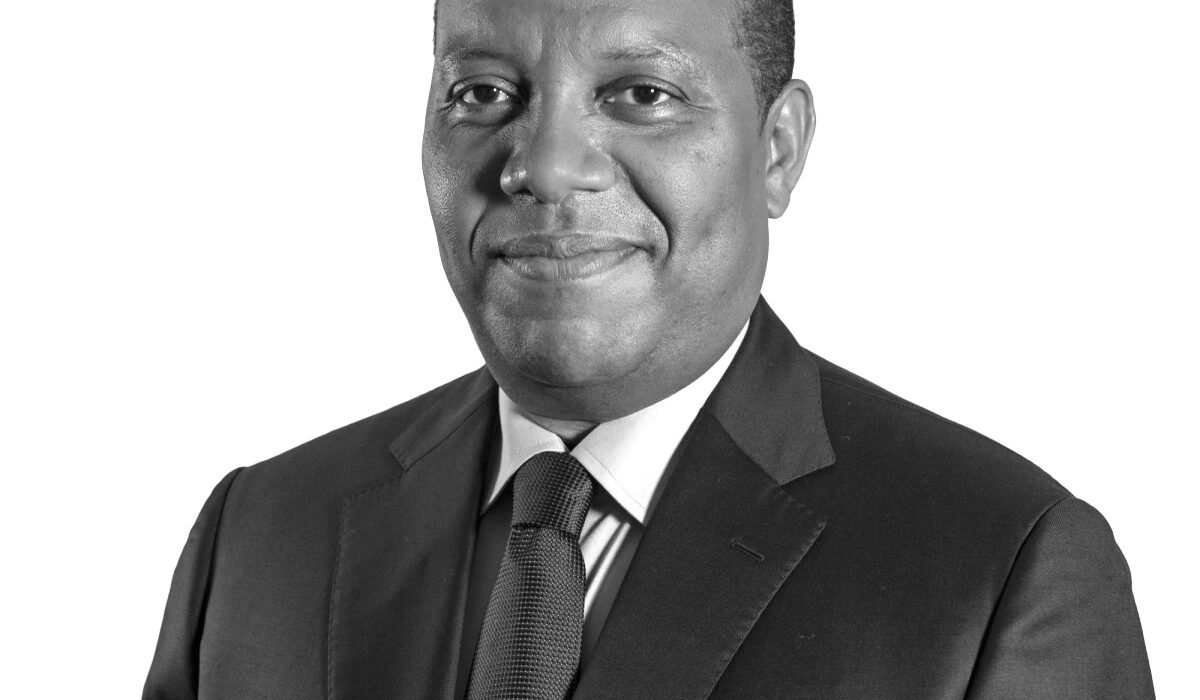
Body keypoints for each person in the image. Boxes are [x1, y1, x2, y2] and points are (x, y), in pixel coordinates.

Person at [144, 0, 1154, 697]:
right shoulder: (258, 539)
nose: (544, 167)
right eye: (483, 93)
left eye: (640, 94)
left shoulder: (1001, 573)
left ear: (777, 150)